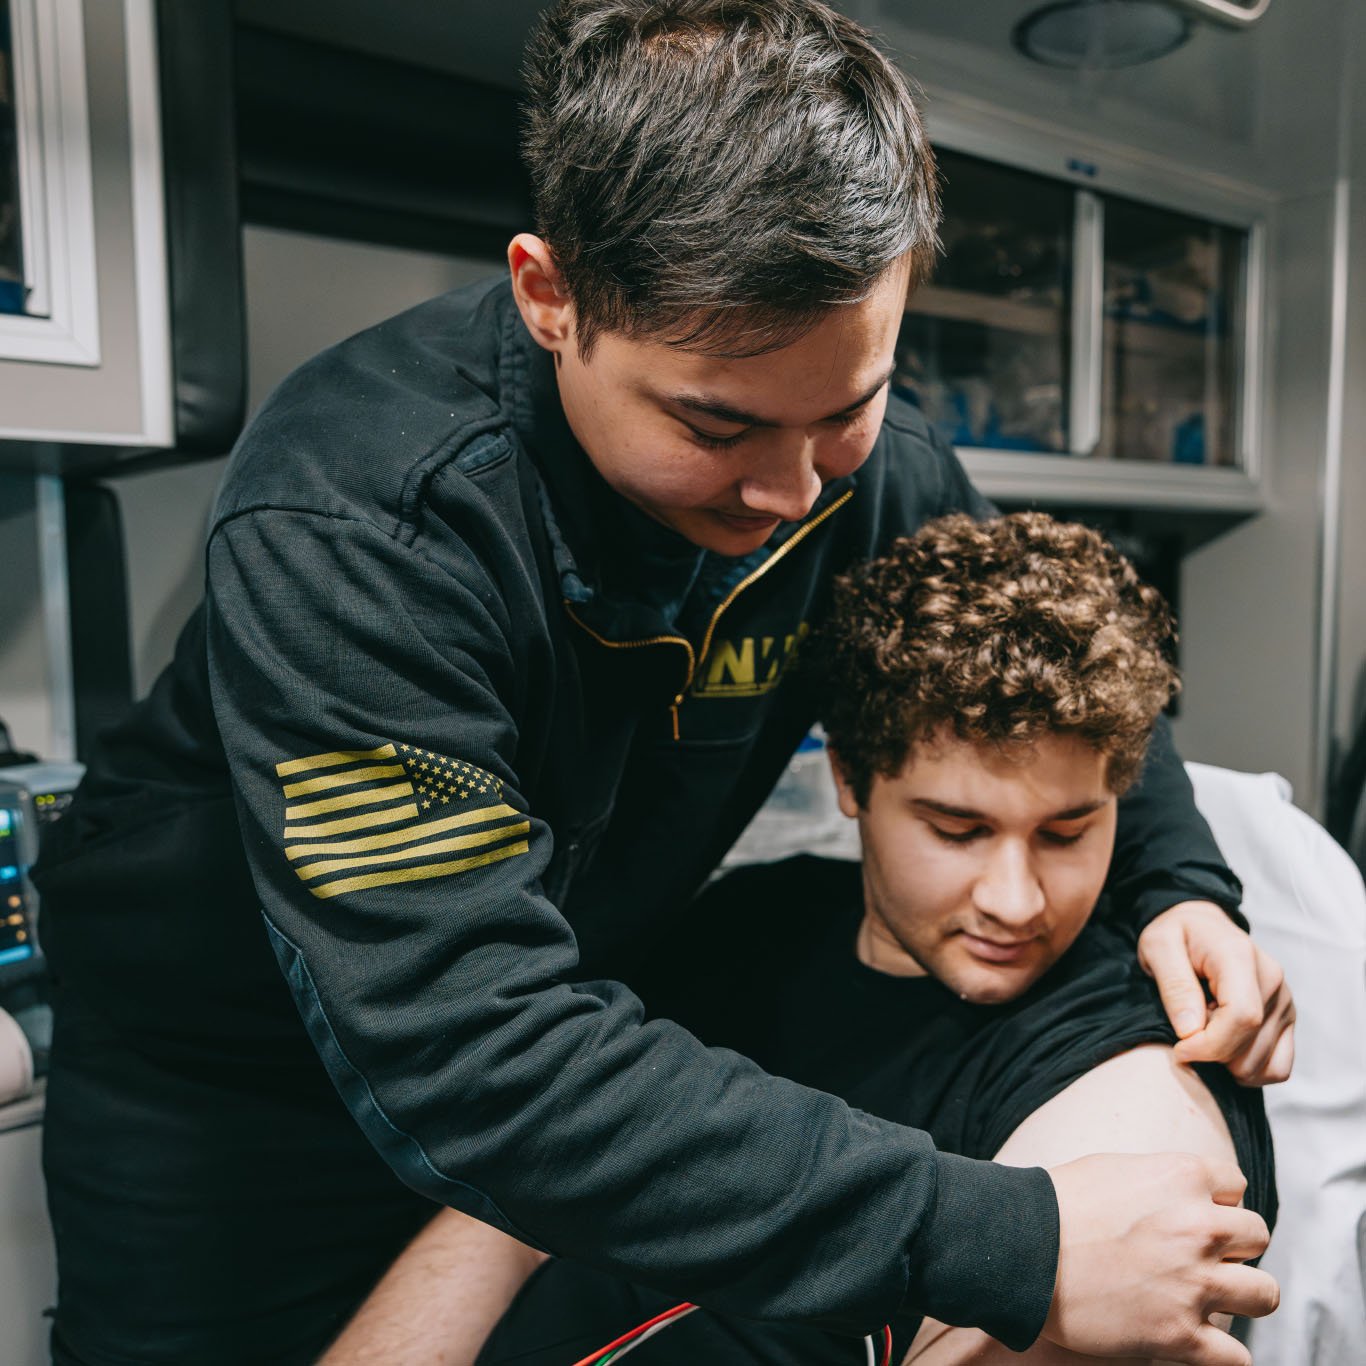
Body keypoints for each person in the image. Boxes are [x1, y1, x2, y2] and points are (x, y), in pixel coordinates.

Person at [33, 5, 1290, 1365]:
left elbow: (1056, 650)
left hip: (554, 1012)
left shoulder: (845, 464)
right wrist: (1010, 1243)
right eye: (715, 424)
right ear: (548, 295)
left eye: (846, 408)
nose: (792, 490)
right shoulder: (361, 528)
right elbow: (476, 1047)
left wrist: (1176, 878)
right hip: (231, 1095)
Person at [324, 514, 1279, 1366]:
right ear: (852, 784)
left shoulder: (1129, 1058)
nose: (1017, 900)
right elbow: (515, 1211)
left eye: (1068, 833)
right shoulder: (750, 922)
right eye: (957, 830)